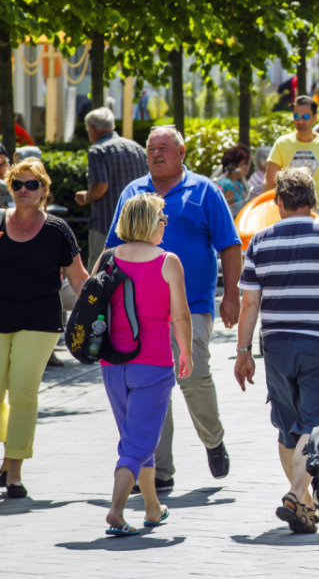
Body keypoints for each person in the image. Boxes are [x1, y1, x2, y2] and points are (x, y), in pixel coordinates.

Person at [106, 125, 241, 491]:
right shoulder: (134, 192)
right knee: (151, 386)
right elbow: (112, 251)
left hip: (193, 303)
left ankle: (213, 441)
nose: (156, 154)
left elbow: (229, 244)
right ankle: (159, 470)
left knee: (192, 375)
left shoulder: (205, 191)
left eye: (164, 148)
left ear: (182, 152)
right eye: (151, 148)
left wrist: (231, 295)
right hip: (139, 311)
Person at [234, 168, 319, 534]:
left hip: (275, 345)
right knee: (315, 423)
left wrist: (243, 350)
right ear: (314, 200)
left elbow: (249, 303)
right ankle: (295, 496)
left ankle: (303, 506)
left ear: (278, 202)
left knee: (289, 429)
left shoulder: (259, 240)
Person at [101, 193, 192, 537]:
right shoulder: (168, 261)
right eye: (163, 219)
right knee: (136, 443)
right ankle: (116, 510)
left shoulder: (109, 258)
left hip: (112, 362)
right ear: (152, 222)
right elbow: (181, 316)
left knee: (137, 435)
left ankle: (153, 509)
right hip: (152, 363)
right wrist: (186, 352)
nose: (165, 225)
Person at [0, 159, 88, 497]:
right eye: (18, 184)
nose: (24, 190)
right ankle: (9, 456)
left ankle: (14, 472)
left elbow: (79, 279)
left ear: (44, 190)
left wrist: (100, 314)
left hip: (40, 320)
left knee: (22, 391)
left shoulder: (58, 230)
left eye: (32, 184)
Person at [75, 107, 146, 268]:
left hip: (106, 225)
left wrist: (85, 197)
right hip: (138, 225)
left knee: (101, 273)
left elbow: (100, 187)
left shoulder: (98, 150)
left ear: (92, 129)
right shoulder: (138, 149)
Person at [265, 96, 319, 215]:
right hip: (287, 215)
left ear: (315, 117)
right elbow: (269, 183)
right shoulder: (282, 143)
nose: (301, 121)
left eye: (306, 116)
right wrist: (275, 211)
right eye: (296, 116)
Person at [215, 145, 252, 217]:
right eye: (242, 164)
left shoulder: (237, 184)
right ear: (233, 166)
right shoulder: (227, 184)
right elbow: (230, 211)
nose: (246, 167)